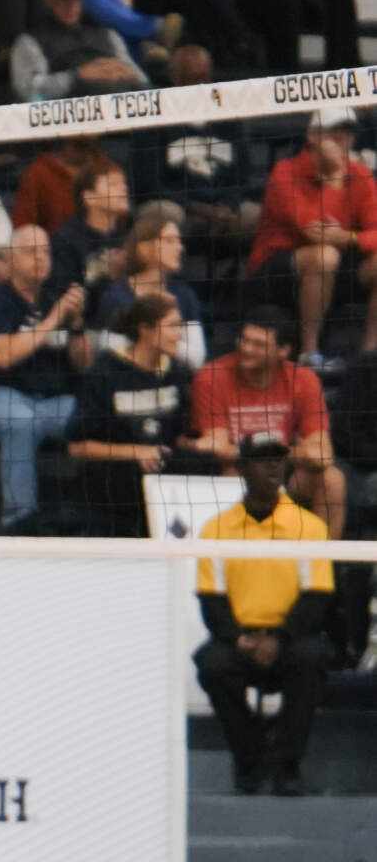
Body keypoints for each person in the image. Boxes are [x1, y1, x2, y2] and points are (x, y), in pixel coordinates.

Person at [195, 433, 332, 796]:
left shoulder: (309, 526)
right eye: (261, 459)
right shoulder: (216, 528)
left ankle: (288, 765)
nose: (273, 467)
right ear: (241, 468)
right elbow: (211, 598)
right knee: (213, 665)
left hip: (290, 635)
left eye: (278, 458)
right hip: (240, 636)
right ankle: (249, 757)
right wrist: (240, 638)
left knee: (311, 657)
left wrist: (279, 638)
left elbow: (317, 596)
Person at [0, 222, 87, 527]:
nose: (40, 258)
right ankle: (19, 519)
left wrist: (76, 325)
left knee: (94, 414)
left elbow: (84, 364)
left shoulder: (53, 300)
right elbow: (3, 357)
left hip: (50, 402)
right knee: (21, 421)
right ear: (10, 259)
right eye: (31, 251)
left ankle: (92, 516)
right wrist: (54, 318)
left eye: (45, 251)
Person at [192, 308, 346, 535]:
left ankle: (327, 554)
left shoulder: (304, 379)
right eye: (244, 340)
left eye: (258, 344)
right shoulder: (212, 376)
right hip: (240, 469)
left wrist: (271, 456)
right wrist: (267, 456)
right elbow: (218, 447)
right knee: (232, 473)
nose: (246, 348)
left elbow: (321, 453)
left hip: (286, 469)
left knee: (332, 479)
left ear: (283, 351)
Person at [250, 108, 377, 375]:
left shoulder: (360, 174)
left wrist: (350, 238)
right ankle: (310, 353)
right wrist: (335, 180)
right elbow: (311, 229)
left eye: (348, 133)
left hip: (335, 268)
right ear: (312, 136)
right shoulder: (285, 172)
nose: (342, 139)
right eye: (334, 132)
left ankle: (370, 357)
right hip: (277, 273)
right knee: (324, 255)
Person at [70, 290, 204, 535]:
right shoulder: (105, 372)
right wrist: (135, 452)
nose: (179, 335)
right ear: (145, 330)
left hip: (163, 482)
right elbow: (77, 447)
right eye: (173, 326)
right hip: (112, 485)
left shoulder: (178, 373)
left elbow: (179, 436)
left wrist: (200, 443)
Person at [131, 46, 256, 264]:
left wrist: (228, 205)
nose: (198, 86)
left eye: (203, 78)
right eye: (190, 79)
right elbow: (148, 185)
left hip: (222, 208)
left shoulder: (229, 118)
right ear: (174, 78)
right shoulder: (153, 118)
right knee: (165, 215)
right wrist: (196, 208)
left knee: (262, 218)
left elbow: (241, 177)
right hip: (177, 207)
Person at [11, 0, 146, 101]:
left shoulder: (108, 35)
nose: (71, 6)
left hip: (123, 103)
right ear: (49, 1)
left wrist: (128, 74)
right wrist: (77, 76)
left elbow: (143, 82)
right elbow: (29, 92)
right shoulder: (31, 42)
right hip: (73, 107)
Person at [95, 204, 204, 369]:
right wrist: (164, 341)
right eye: (169, 240)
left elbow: (197, 357)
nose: (180, 248)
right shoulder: (115, 297)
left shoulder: (184, 295)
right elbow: (110, 352)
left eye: (179, 241)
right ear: (144, 248)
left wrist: (152, 339)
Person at [47, 160, 131, 305]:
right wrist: (105, 268)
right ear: (89, 197)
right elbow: (64, 297)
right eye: (113, 184)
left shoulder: (128, 237)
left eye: (123, 183)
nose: (124, 188)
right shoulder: (65, 241)